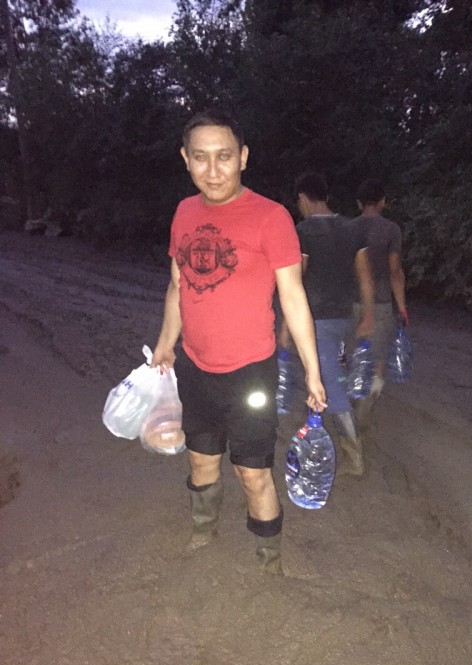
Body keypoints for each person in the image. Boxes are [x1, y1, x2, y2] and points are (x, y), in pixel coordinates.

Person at [151, 108, 326, 574]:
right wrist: (166, 343)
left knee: (252, 472)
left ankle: (269, 557)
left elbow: (293, 297)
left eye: (224, 156)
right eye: (201, 157)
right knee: (201, 463)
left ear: (243, 157)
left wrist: (312, 371)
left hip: (250, 372)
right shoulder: (184, 212)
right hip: (195, 368)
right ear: (186, 159)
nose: (213, 170)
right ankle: (203, 530)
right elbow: (178, 285)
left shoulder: (271, 217)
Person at [280, 172, 374, 476]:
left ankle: (353, 453)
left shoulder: (303, 231)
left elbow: (296, 281)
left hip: (316, 320)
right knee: (330, 376)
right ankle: (317, 431)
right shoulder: (352, 228)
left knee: (329, 383)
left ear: (303, 198)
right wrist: (368, 314)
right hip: (347, 317)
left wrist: (286, 326)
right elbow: (365, 275)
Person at [350, 178, 408, 426]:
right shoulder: (391, 230)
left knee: (353, 355)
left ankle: (350, 403)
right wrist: (402, 307)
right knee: (378, 359)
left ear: (359, 203)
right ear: (383, 202)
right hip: (382, 303)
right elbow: (395, 272)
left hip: (350, 303)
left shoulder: (348, 228)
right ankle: (362, 413)